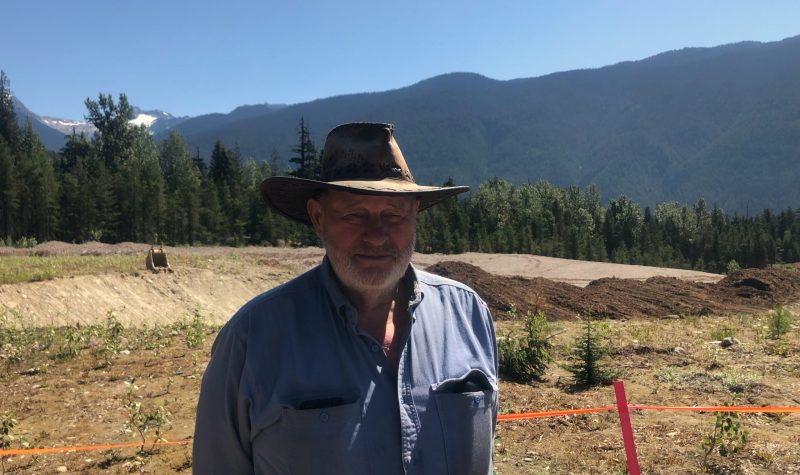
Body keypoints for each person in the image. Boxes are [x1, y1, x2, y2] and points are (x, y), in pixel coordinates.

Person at [193, 122, 498, 474]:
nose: (376, 235)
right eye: (355, 213)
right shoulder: (251, 340)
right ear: (318, 217)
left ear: (415, 215)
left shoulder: (469, 315)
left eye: (393, 214)